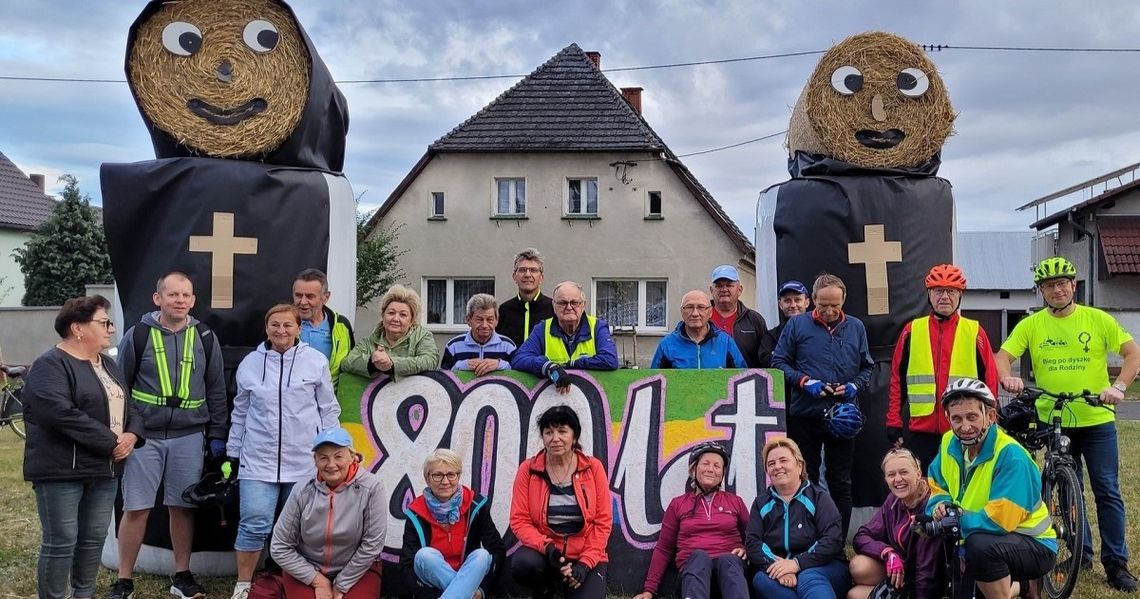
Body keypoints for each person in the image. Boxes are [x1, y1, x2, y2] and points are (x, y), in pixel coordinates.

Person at [995, 256, 1140, 591]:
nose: (1056, 290)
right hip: (1054, 417)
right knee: (1065, 489)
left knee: (1107, 490)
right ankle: (1080, 552)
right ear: (1042, 291)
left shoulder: (1097, 319)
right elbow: (1003, 357)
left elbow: (1133, 354)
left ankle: (1116, 564)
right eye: (1049, 285)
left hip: (1096, 417)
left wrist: (1117, 388)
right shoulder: (1032, 325)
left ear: (1073, 286)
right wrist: (1008, 379)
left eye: (1062, 283)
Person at [109, 273, 228, 599]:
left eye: (186, 295)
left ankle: (182, 575)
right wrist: (124, 431)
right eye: (172, 294)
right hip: (144, 437)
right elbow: (121, 387)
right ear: (157, 298)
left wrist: (217, 433)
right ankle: (124, 580)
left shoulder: (204, 336)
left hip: (189, 436)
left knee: (181, 507)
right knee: (136, 508)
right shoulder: (139, 335)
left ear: (192, 300)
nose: (180, 300)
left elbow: (216, 387)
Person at [23, 296, 145, 599]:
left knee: (92, 541)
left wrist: (133, 435)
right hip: (62, 470)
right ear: (77, 328)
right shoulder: (49, 365)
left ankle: (84, 594)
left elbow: (130, 406)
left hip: (104, 470)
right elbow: (59, 413)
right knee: (61, 541)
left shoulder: (109, 364)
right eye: (104, 323)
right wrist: (111, 442)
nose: (112, 330)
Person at [227, 304, 341, 599]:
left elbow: (328, 409)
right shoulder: (251, 363)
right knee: (254, 521)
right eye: (275, 325)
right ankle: (243, 583)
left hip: (303, 460)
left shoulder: (315, 361)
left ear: (298, 329)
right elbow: (240, 411)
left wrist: (333, 450)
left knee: (300, 529)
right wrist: (232, 451)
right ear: (266, 328)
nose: (281, 331)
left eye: (288, 325)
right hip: (258, 459)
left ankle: (294, 583)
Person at [927, 378, 1057, 599]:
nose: (965, 427)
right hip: (977, 532)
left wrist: (957, 520)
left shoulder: (1011, 455)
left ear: (991, 417)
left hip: (1033, 543)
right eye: (956, 418)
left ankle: (1022, 584)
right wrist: (941, 505)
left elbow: (1001, 519)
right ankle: (1023, 587)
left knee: (980, 547)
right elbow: (936, 482)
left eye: (972, 417)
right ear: (948, 418)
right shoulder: (949, 441)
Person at [771, 273, 873, 537]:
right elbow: (779, 362)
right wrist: (805, 382)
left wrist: (853, 386)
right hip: (805, 414)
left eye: (835, 305)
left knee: (841, 482)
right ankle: (809, 538)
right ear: (812, 300)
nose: (829, 311)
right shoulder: (796, 326)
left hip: (843, 416)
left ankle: (836, 542)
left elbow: (867, 367)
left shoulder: (856, 327)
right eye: (823, 305)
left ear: (844, 300)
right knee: (806, 479)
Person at [886, 264, 999, 471]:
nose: (945, 297)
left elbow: (990, 381)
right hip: (920, 433)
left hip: (962, 429)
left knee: (961, 490)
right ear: (929, 295)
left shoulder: (974, 332)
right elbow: (897, 380)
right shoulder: (912, 331)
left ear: (960, 295)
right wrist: (893, 421)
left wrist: (990, 420)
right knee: (922, 491)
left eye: (951, 291)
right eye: (939, 291)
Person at [509, 405, 612, 599]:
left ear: (574, 436)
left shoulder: (593, 468)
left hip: (585, 554)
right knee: (522, 563)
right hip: (547, 555)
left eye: (562, 431)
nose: (555, 438)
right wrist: (548, 548)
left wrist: (585, 563)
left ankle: (575, 582)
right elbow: (519, 520)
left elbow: (603, 522)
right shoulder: (528, 470)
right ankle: (546, 590)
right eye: (548, 432)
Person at [270, 427, 386, 599]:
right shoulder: (302, 490)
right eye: (323, 457)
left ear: (352, 457)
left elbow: (372, 544)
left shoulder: (372, 487)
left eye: (338, 456)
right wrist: (317, 580)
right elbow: (279, 546)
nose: (331, 464)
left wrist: (342, 585)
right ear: (315, 461)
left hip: (358, 569)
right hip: (307, 568)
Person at [632, 441, 749, 599]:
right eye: (705, 463)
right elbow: (664, 549)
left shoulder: (735, 502)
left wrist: (746, 548)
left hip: (728, 577)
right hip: (692, 578)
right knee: (699, 557)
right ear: (694, 469)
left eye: (716, 466)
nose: (710, 469)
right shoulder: (678, 504)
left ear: (722, 473)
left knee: (728, 559)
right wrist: (649, 590)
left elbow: (753, 537)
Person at [746, 437, 849, 599]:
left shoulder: (819, 497)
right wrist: (778, 568)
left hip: (824, 567)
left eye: (783, 460)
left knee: (808, 578)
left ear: (799, 466)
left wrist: (797, 564)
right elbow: (753, 543)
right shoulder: (761, 503)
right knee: (761, 580)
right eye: (771, 463)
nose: (777, 466)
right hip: (778, 569)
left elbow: (832, 540)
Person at [400, 449, 506, 599]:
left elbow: (497, 550)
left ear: (458, 476)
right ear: (427, 479)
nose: (445, 481)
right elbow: (406, 565)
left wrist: (482, 592)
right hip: (432, 583)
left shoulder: (475, 504)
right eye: (437, 475)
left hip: (471, 575)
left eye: (451, 474)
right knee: (425, 556)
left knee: (481, 556)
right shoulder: (416, 512)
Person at [849, 448, 942, 599]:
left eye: (904, 472)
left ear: (918, 473)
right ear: (885, 479)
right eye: (891, 474)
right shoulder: (893, 499)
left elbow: (927, 570)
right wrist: (888, 553)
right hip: (901, 571)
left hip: (927, 580)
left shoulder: (931, 505)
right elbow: (862, 536)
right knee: (856, 573)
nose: (898, 479)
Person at [511, 282, 619, 391]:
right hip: (551, 400)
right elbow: (518, 359)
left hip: (591, 399)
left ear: (583, 305)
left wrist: (574, 364)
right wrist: (547, 366)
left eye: (574, 302)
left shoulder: (597, 327)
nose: (568, 307)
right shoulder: (542, 329)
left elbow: (610, 360)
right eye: (562, 303)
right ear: (553, 305)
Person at [342, 284, 439, 381]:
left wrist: (392, 363)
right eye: (391, 313)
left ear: (412, 321)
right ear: (383, 316)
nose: (396, 319)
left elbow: (430, 361)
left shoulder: (422, 337)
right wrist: (372, 362)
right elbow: (347, 363)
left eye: (403, 315)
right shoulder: (371, 340)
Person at [651, 289, 747, 369]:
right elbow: (655, 382)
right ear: (682, 311)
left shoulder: (725, 342)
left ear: (710, 312)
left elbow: (741, 379)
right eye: (689, 307)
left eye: (701, 307)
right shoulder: (667, 344)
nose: (695, 313)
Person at [293, 268, 355, 390]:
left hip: (330, 402)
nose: (303, 302)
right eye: (298, 295)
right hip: (293, 403)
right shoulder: (279, 325)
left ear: (326, 297)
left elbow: (351, 367)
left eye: (310, 296)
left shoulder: (342, 325)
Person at [709, 264, 774, 368]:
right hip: (710, 380)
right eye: (719, 285)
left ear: (739, 289)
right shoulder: (702, 318)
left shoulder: (754, 319)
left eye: (729, 285)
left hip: (746, 381)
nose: (724, 289)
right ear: (712, 290)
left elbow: (764, 356)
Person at [440, 294, 517, 376]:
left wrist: (500, 364)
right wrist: (462, 365)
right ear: (468, 320)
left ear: (496, 321)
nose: (484, 325)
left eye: (489, 320)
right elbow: (442, 378)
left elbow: (520, 377)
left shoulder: (508, 346)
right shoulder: (453, 346)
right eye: (479, 320)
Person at [497, 248, 556, 347]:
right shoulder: (504, 310)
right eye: (522, 270)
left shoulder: (553, 308)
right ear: (514, 277)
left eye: (533, 270)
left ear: (541, 278)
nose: (527, 275)